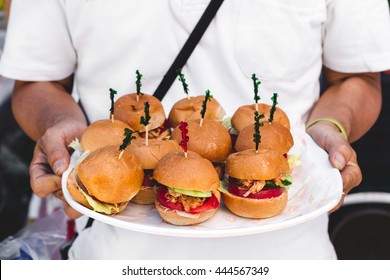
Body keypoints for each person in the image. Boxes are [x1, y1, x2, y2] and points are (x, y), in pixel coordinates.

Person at [0, 0, 389, 259]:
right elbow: (37, 80)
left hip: (292, 253)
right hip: (112, 253)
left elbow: (357, 77)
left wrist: (330, 128)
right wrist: (59, 126)